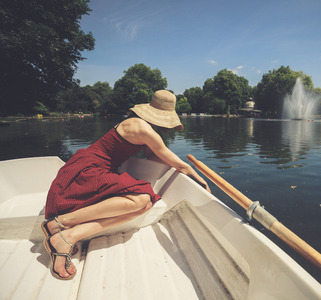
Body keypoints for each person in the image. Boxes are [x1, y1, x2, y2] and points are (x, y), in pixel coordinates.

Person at [41, 90, 210, 280]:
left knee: (144, 205)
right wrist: (201, 180)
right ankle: (59, 224)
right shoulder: (143, 129)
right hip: (88, 171)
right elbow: (179, 164)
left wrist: (174, 164)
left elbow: (153, 156)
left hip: (86, 167)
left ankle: (67, 236)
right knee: (143, 196)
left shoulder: (136, 123)